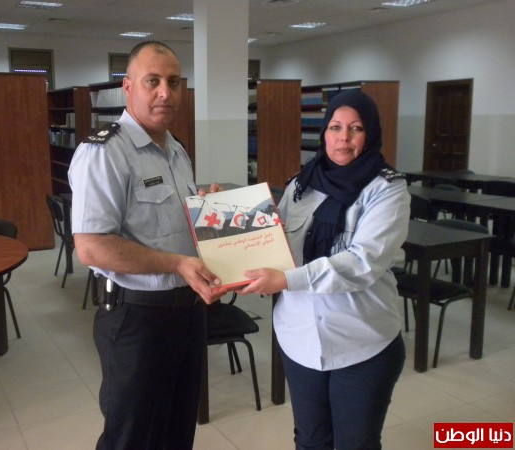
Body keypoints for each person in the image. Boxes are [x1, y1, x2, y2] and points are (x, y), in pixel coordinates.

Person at [68, 41, 224, 450]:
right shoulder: (105, 152)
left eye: (174, 82)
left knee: (177, 433)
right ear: (128, 86)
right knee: (133, 438)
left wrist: (207, 213)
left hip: (187, 314)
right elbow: (91, 247)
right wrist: (176, 264)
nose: (165, 93)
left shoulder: (176, 150)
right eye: (152, 81)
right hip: (137, 319)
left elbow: (167, 226)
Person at [238, 89, 411, 450]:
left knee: (356, 444)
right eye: (335, 127)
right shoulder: (302, 183)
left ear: (370, 134)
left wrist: (287, 279)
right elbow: (274, 243)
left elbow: (362, 263)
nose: (343, 138)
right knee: (311, 440)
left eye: (355, 128)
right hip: (299, 340)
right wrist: (225, 216)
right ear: (324, 133)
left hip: (361, 342)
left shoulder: (387, 189)